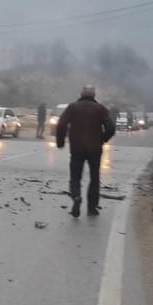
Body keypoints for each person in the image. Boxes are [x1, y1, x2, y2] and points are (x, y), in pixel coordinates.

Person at [56, 85, 116, 218]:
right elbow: (111, 127)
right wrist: (102, 139)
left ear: (81, 94)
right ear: (94, 95)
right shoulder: (100, 109)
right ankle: (92, 208)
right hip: (95, 149)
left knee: (75, 177)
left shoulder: (73, 107)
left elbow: (61, 124)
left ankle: (76, 196)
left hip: (77, 148)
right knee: (95, 178)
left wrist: (60, 142)